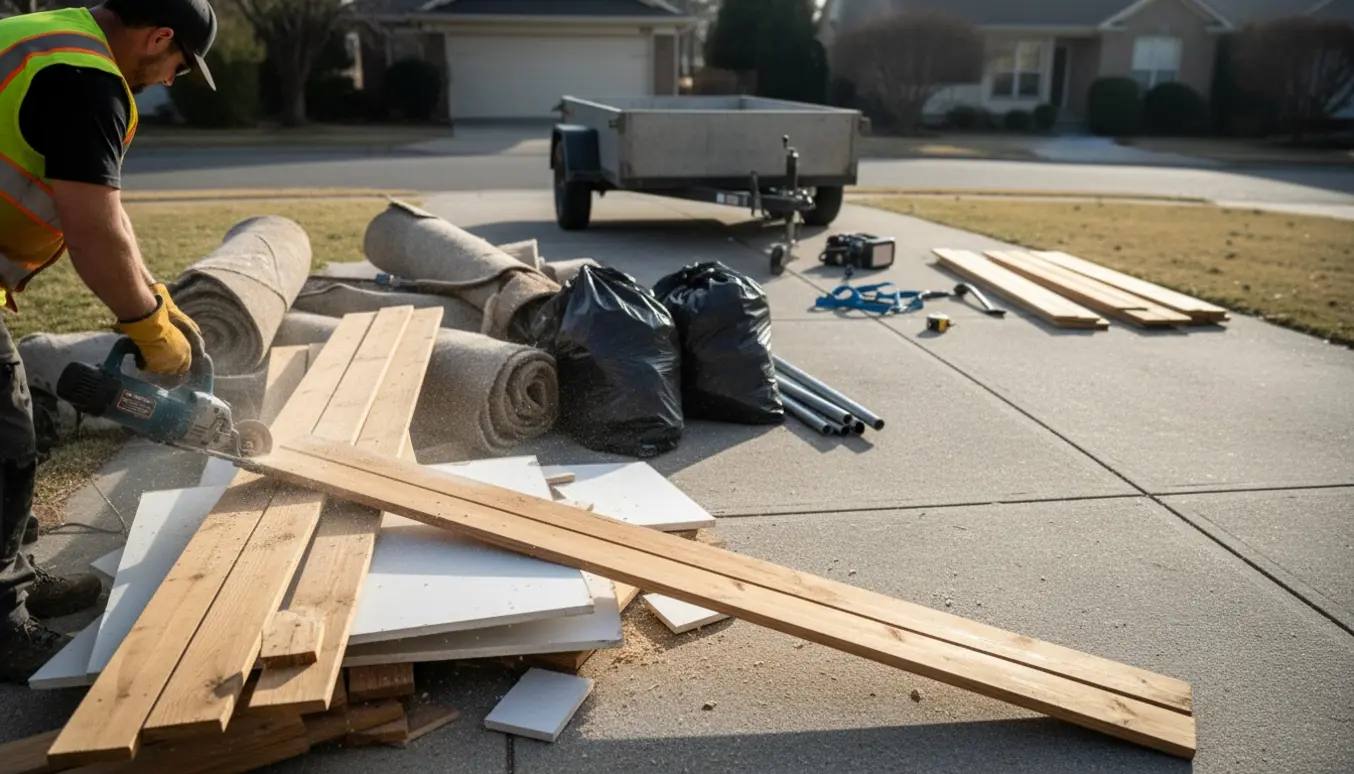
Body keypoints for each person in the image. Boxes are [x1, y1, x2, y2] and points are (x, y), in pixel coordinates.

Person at [0, 0, 218, 683]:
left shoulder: (46, 38)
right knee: (6, 438)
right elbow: (92, 232)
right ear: (158, 37)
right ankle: (0, 622)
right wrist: (150, 332)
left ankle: (14, 571)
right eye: (179, 63)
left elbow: (103, 213)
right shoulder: (87, 81)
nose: (174, 80)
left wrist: (159, 298)